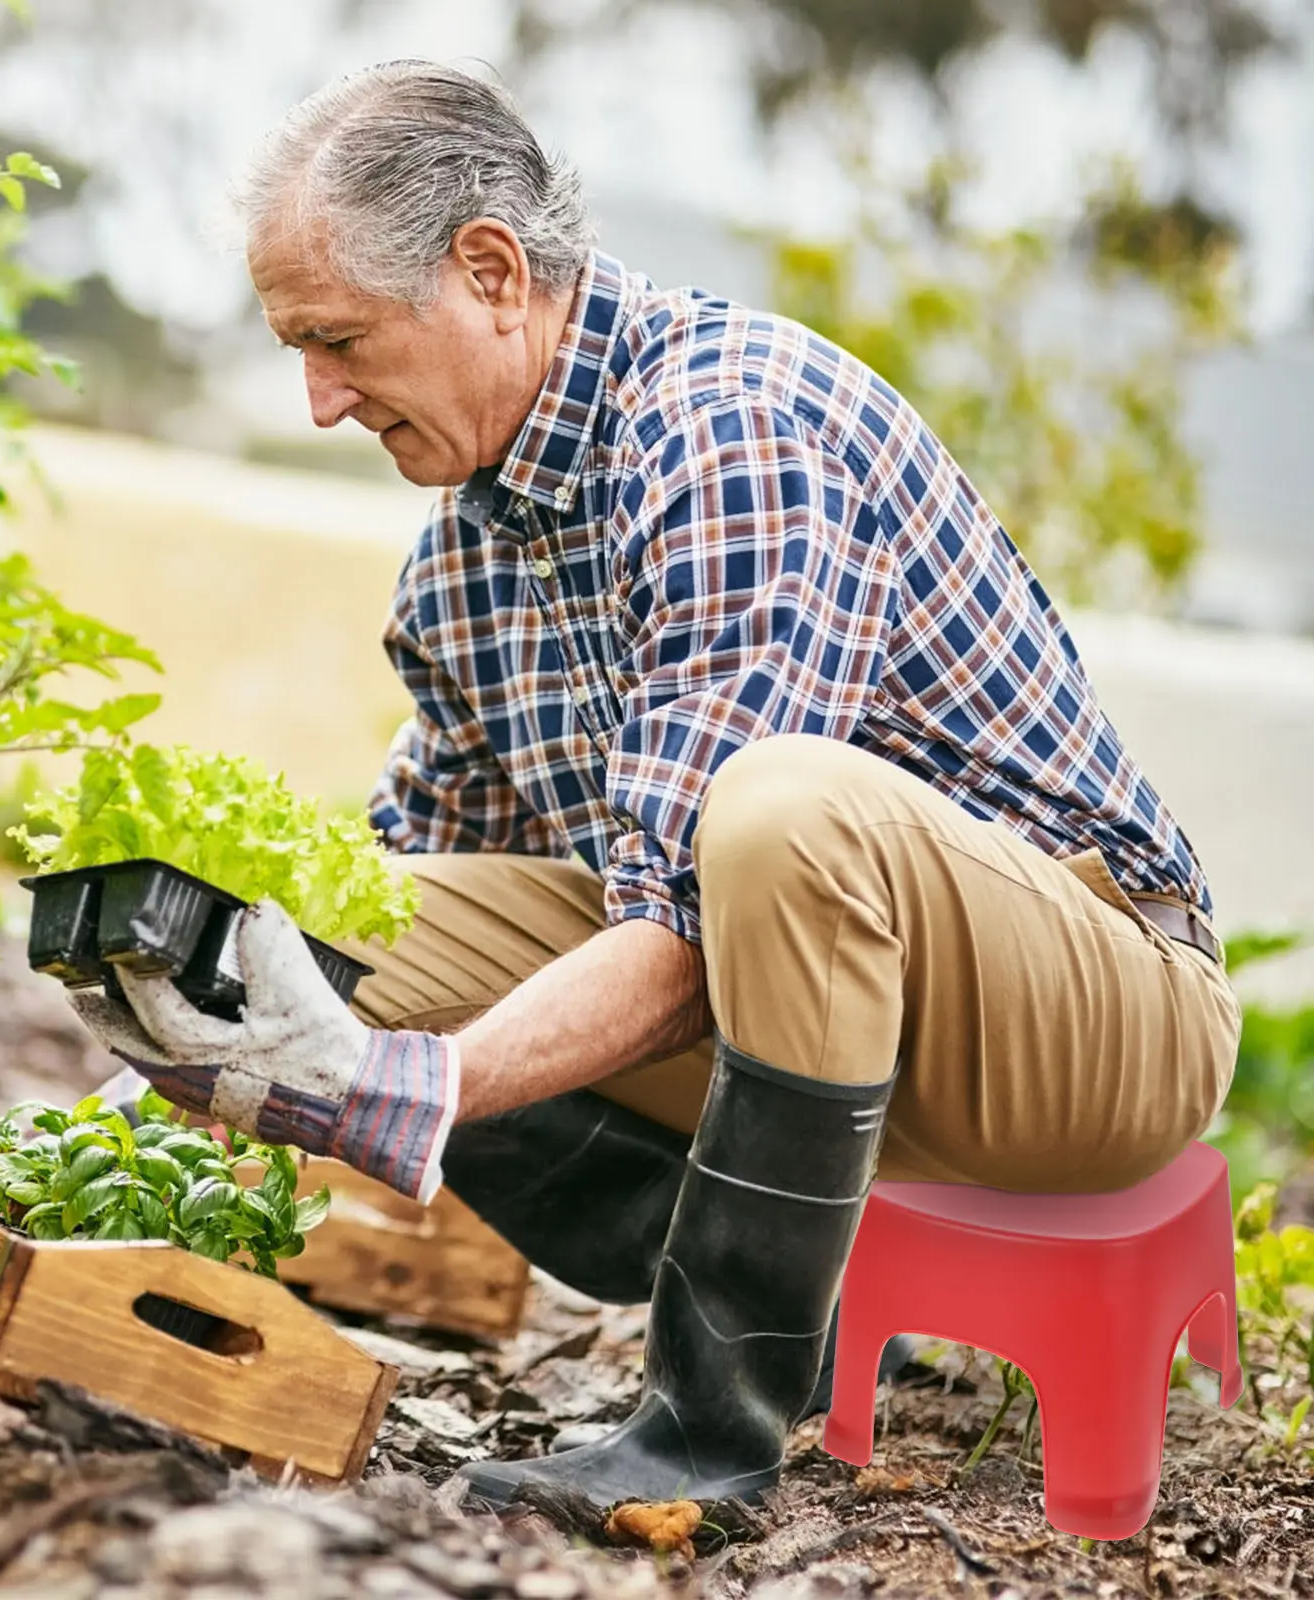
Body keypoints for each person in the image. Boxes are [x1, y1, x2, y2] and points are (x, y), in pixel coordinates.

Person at [71, 60, 1242, 1509]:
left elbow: (700, 920)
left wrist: (412, 1088)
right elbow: (413, 908)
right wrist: (155, 1058)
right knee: (327, 910)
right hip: (814, 1034)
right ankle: (810, 1325)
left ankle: (711, 1429)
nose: (317, 401)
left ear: (491, 273)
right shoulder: (464, 554)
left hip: (1087, 1029)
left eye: (339, 340)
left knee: (780, 810)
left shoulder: (730, 430)